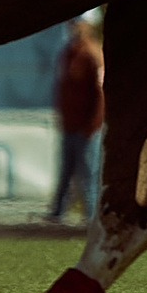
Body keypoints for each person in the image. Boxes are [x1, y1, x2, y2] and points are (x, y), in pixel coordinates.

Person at [49, 13, 104, 222]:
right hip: (70, 125)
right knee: (65, 174)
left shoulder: (92, 54)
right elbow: (63, 88)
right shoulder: (68, 53)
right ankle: (57, 216)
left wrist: (93, 124)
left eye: (78, 23)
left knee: (87, 175)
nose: (73, 27)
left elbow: (100, 94)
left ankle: (91, 219)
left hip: (85, 128)